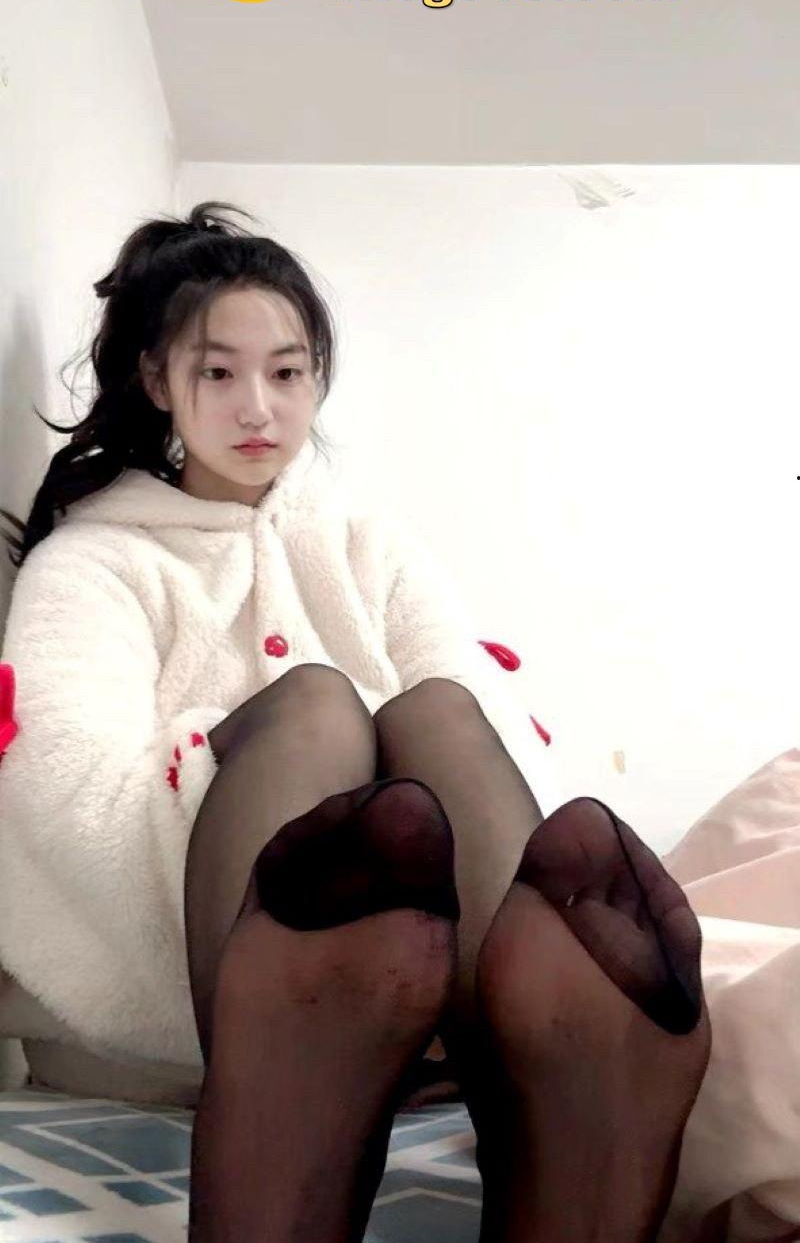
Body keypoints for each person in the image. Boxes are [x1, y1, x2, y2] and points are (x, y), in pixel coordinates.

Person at [0, 201, 711, 1243]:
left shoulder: (371, 549)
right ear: (157, 380)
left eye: (287, 372)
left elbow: (496, 745)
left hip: (430, 984)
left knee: (439, 709)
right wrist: (316, 803)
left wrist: (393, 834)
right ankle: (318, 1007)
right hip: (172, 996)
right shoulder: (96, 564)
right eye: (217, 372)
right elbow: (64, 799)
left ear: (317, 379)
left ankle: (531, 1092)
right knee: (317, 709)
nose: (258, 407)